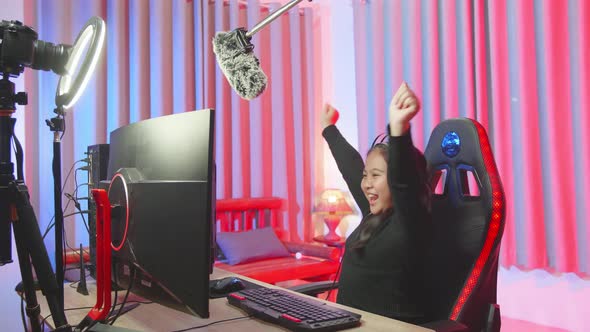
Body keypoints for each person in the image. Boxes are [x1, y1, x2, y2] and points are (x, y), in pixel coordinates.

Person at [321, 82, 431, 324]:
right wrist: (329, 128)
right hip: (347, 323)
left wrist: (399, 130)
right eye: (366, 175)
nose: (366, 183)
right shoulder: (375, 213)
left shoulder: (411, 222)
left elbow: (405, 185)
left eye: (376, 176)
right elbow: (351, 169)